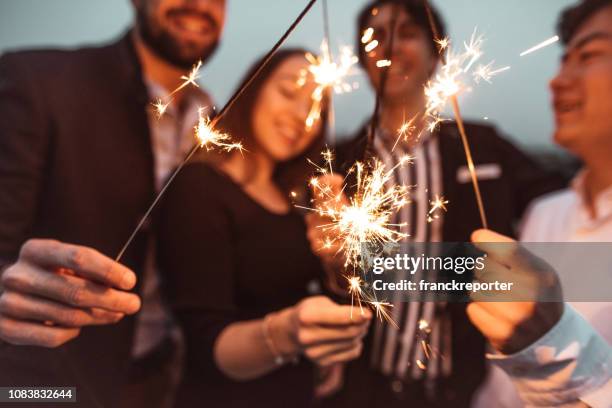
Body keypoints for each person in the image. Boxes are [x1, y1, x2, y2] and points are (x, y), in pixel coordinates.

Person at [306, 0, 566, 406]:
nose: (390, 48)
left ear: (438, 53)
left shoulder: (482, 148)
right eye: (374, 40)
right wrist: (334, 270)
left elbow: (568, 209)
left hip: (465, 386)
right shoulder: (336, 166)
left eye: (407, 33)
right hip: (361, 386)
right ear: (360, 62)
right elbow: (320, 283)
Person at [0, 0, 226, 406]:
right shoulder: (39, 80)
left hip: (160, 376)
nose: (200, 5)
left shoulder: (215, 121)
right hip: (43, 379)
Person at [156, 49, 371, 408]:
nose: (301, 116)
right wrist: (284, 336)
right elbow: (205, 345)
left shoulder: (295, 197)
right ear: (253, 90)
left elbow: (322, 292)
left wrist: (337, 265)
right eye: (288, 93)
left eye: (316, 106)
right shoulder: (198, 186)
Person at [470, 1, 612, 406]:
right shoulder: (545, 213)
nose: (556, 81)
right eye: (562, 61)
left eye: (588, 56)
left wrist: (553, 348)